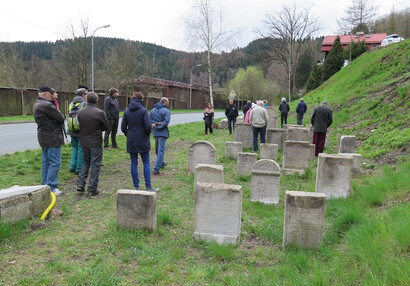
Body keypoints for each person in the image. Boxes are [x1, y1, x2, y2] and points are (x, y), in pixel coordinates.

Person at [121, 92, 158, 192]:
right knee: (146, 162)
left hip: (131, 140)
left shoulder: (127, 111)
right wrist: (146, 134)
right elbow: (148, 126)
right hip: (142, 139)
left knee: (134, 162)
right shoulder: (143, 111)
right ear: (141, 99)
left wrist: (128, 135)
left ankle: (136, 186)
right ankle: (148, 186)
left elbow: (123, 127)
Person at [33, 86, 65, 195]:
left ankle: (45, 185)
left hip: (43, 136)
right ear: (46, 94)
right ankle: (51, 186)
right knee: (55, 162)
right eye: (51, 93)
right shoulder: (47, 105)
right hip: (52, 137)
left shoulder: (37, 103)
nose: (52, 95)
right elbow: (61, 118)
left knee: (46, 162)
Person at [76, 92, 108, 196]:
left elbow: (77, 124)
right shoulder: (100, 113)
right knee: (95, 164)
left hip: (84, 141)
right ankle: (92, 188)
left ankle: (80, 184)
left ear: (87, 100)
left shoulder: (80, 112)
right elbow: (106, 126)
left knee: (85, 162)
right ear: (97, 100)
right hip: (95, 141)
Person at [68, 88, 87, 174]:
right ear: (83, 95)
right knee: (81, 149)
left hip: (72, 129)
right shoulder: (84, 104)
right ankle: (79, 168)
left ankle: (72, 166)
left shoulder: (71, 103)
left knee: (74, 148)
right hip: (80, 129)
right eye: (86, 94)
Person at [150, 97, 171, 175]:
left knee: (157, 150)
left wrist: (155, 125)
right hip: (162, 133)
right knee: (160, 151)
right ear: (165, 102)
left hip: (155, 132)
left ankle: (162, 163)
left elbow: (150, 120)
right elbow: (166, 122)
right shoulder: (167, 111)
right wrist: (159, 125)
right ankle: (156, 169)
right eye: (168, 102)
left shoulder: (152, 110)